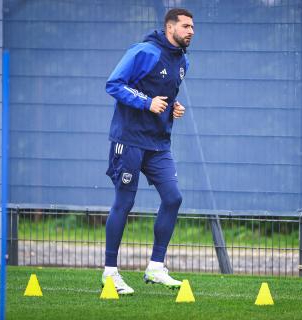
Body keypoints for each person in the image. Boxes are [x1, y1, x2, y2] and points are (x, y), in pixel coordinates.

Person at [102, 8, 194, 295]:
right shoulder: (145, 52)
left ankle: (156, 267)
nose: (191, 31)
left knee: (173, 198)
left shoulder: (183, 61)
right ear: (170, 28)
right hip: (129, 140)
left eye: (193, 27)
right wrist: (147, 102)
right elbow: (114, 84)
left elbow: (165, 97)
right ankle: (110, 273)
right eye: (186, 26)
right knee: (124, 203)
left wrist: (172, 108)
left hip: (158, 144)